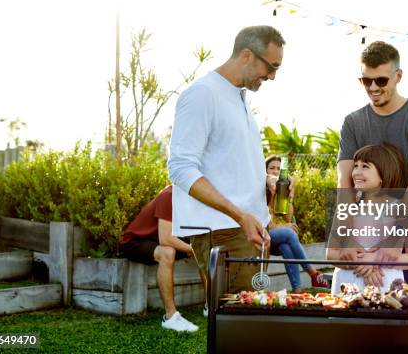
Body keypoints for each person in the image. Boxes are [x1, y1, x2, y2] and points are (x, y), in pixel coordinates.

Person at [169, 25, 286, 294]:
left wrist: (266, 181)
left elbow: (231, 163)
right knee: (237, 326)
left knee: (248, 323)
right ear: (246, 55)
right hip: (225, 230)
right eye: (271, 67)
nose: (272, 76)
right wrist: (239, 215)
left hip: (249, 228)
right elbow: (180, 168)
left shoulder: (239, 96)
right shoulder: (202, 94)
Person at [337, 41, 408, 290]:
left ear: (398, 76)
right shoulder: (353, 122)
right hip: (363, 234)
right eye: (366, 81)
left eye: (381, 80)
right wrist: (347, 236)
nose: (373, 87)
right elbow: (345, 182)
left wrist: (396, 236)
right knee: (359, 316)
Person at [327, 144, 408, 293]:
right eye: (355, 166)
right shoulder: (345, 208)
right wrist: (362, 265)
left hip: (385, 285)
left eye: (365, 166)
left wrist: (375, 260)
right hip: (346, 283)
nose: (356, 172)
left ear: (384, 175)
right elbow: (331, 254)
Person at [119, 185, 202, 332]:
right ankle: (170, 317)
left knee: (204, 247)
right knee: (168, 252)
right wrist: (193, 249)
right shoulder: (169, 195)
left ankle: (210, 306)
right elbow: (166, 239)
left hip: (156, 241)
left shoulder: (193, 199)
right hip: (135, 242)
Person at [265, 155, 329, 292]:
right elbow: (268, 225)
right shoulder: (261, 191)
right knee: (288, 232)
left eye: (278, 168)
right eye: (272, 168)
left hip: (275, 239)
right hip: (262, 235)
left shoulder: (281, 190)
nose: (275, 171)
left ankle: (298, 291)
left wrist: (289, 196)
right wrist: (284, 227)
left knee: (286, 247)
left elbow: (288, 218)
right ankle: (313, 273)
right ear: (265, 171)